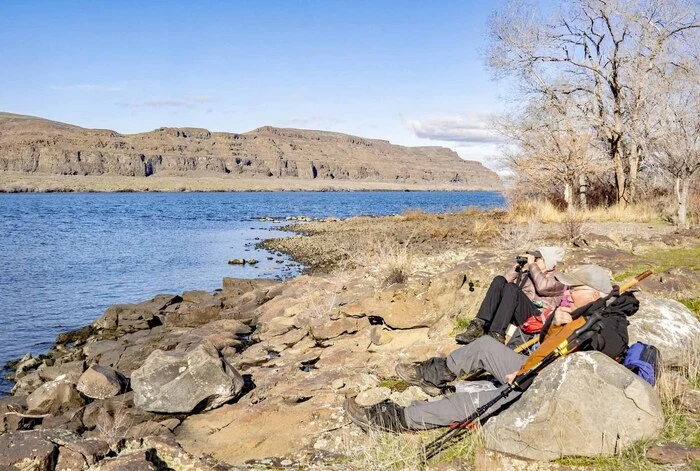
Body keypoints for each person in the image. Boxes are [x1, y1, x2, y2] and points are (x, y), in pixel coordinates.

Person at [345, 264, 638, 432]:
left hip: (544, 388)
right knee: (484, 344)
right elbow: (551, 345)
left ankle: (395, 420)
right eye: (569, 288)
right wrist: (556, 326)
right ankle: (433, 375)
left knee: (466, 404)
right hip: (533, 372)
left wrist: (577, 331)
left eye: (575, 289)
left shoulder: (610, 321)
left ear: (596, 294)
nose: (568, 293)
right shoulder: (579, 312)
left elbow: (606, 346)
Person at [455, 246, 567, 345]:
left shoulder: (559, 278)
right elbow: (503, 283)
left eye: (537, 259)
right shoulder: (528, 274)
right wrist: (518, 266)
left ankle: (497, 334)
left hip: (537, 316)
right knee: (499, 280)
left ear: (548, 261)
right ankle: (478, 325)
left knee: (512, 288)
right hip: (517, 313)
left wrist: (532, 265)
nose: (534, 261)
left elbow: (543, 287)